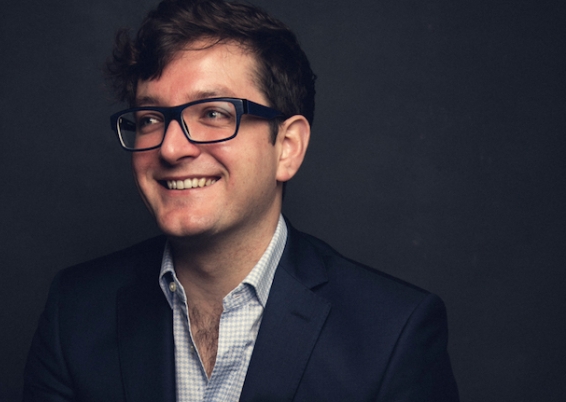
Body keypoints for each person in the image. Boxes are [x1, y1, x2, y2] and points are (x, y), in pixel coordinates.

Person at [23, 0, 460, 400]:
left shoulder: (392, 334)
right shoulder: (75, 313)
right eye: (151, 118)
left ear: (287, 147)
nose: (171, 148)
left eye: (213, 113)